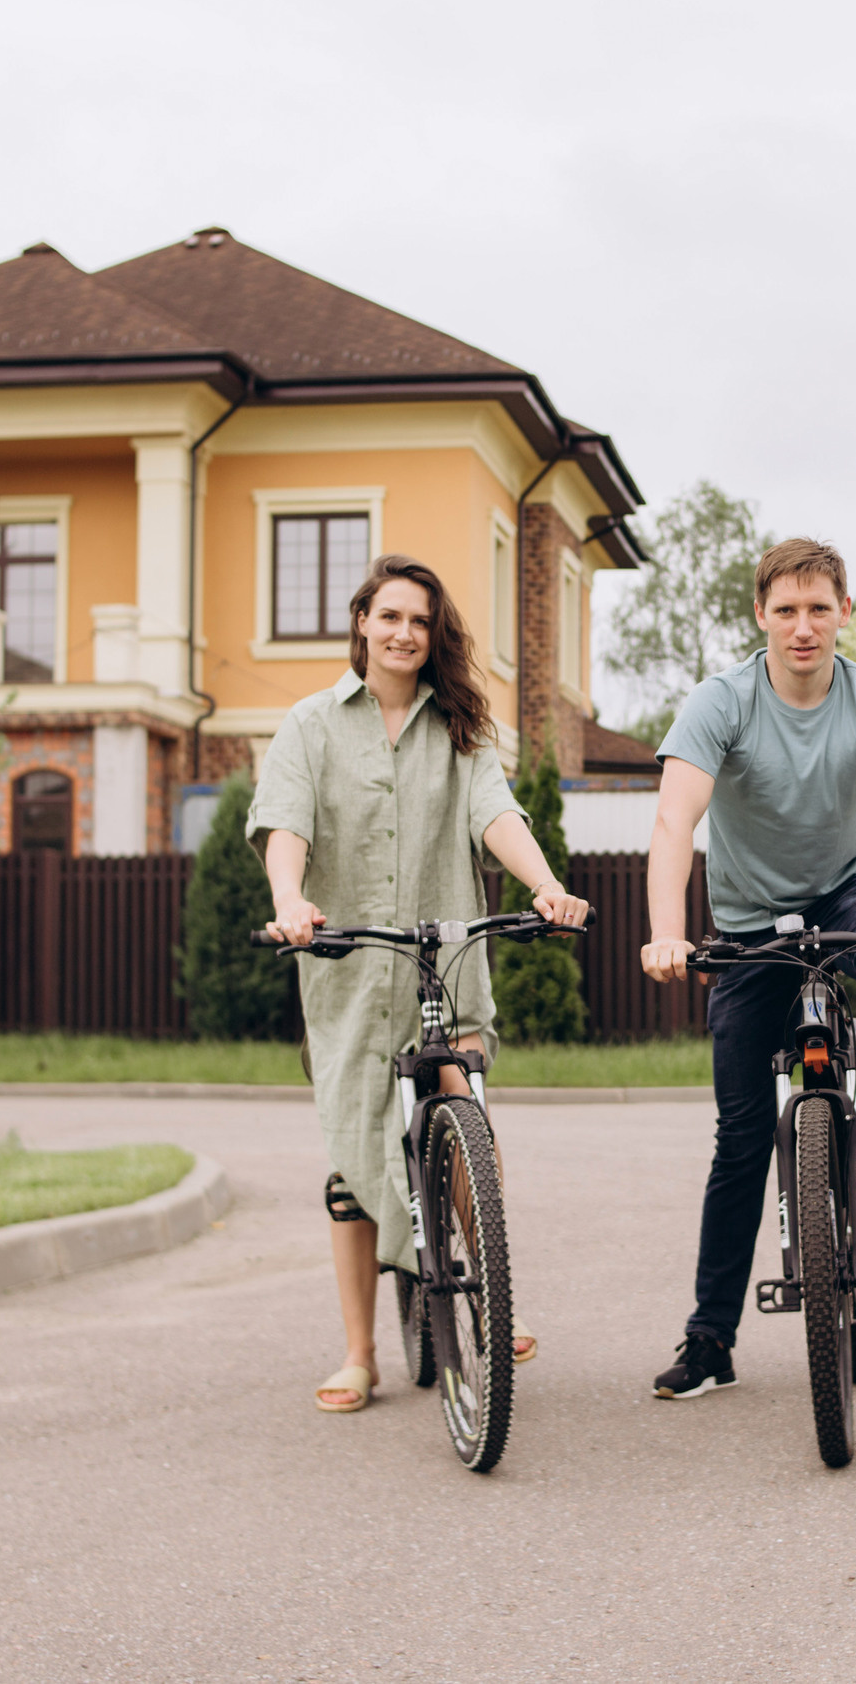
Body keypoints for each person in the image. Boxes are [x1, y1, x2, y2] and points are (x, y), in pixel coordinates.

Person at [640, 537, 856, 1400]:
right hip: (748, 919)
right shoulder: (721, 701)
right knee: (739, 1140)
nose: (804, 627)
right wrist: (666, 931)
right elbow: (673, 821)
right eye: (786, 609)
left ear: (843, 613)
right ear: (761, 614)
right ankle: (710, 1340)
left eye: (820, 608)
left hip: (848, 888)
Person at [250, 554, 590, 1416]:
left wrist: (546, 883)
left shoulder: (460, 730)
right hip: (351, 970)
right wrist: (291, 901)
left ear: (434, 637)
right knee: (352, 1153)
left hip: (449, 959)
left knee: (461, 1094)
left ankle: (491, 1288)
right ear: (362, 620)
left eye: (421, 621)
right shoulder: (310, 725)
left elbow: (495, 813)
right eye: (390, 615)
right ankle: (360, 1352)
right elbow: (285, 821)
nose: (405, 633)